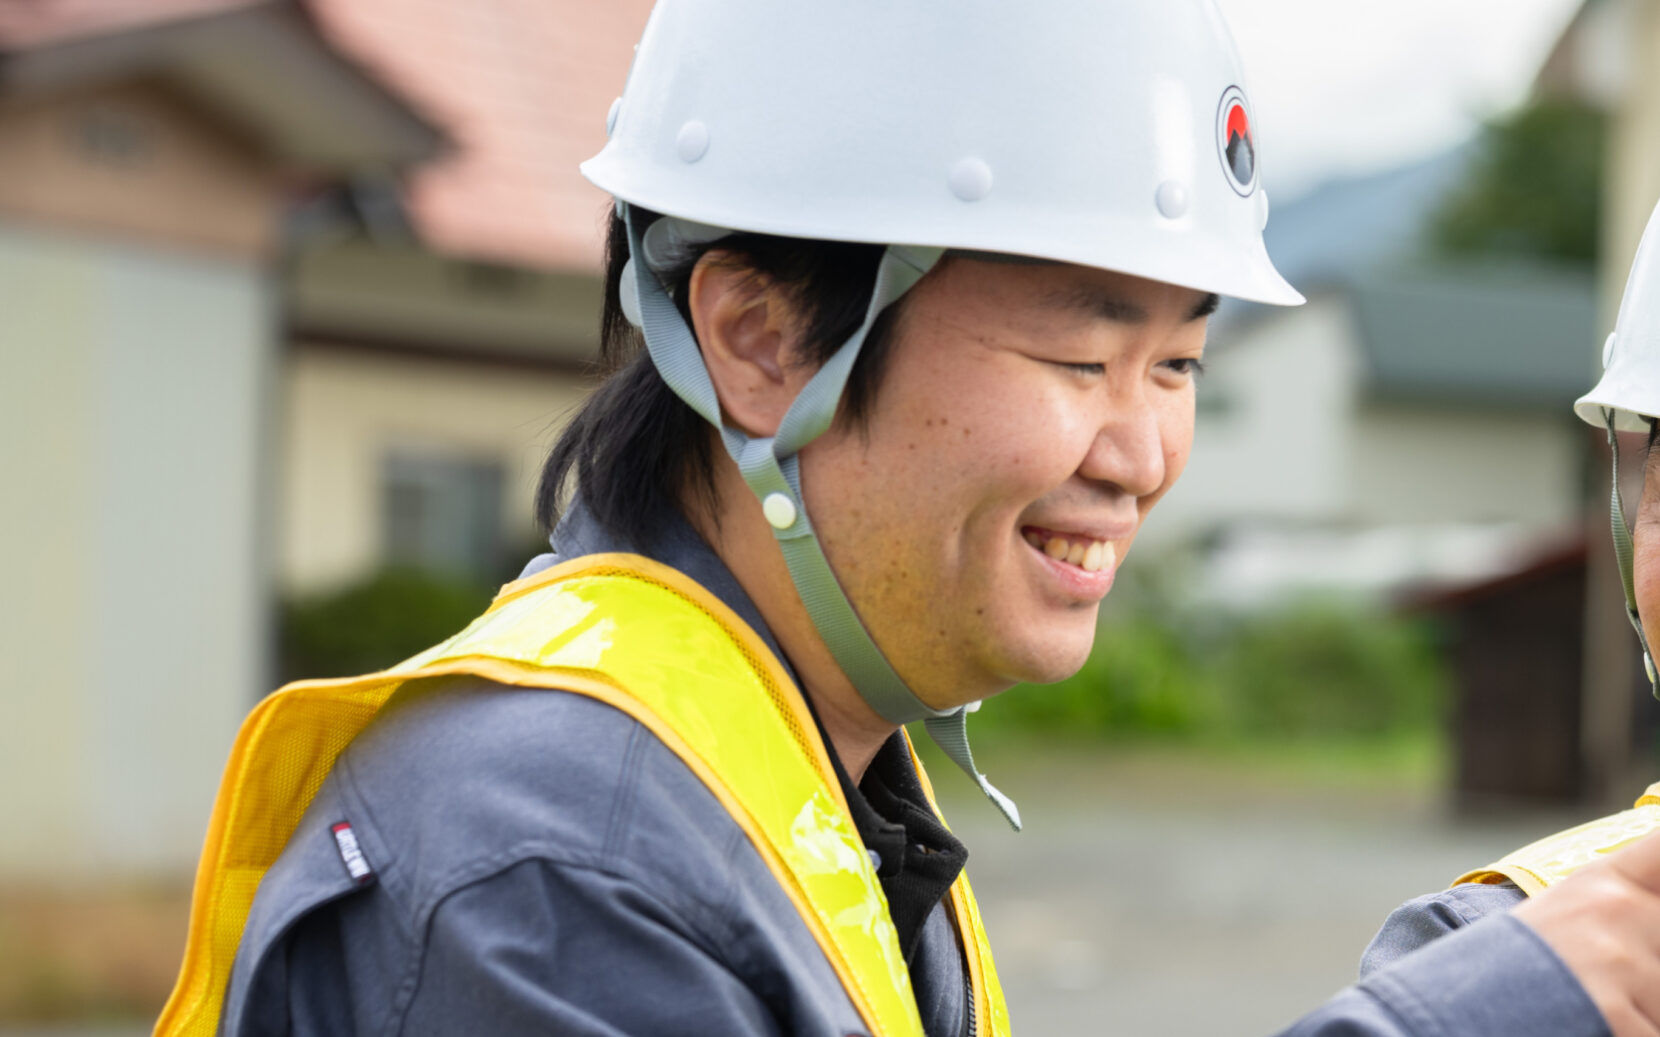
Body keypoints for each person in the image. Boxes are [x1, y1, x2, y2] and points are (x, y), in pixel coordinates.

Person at [156, 2, 1660, 1035]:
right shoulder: (557, 866)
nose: (1143, 449)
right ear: (757, 339)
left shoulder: (799, 783)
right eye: (1080, 358)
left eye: (1183, 364)